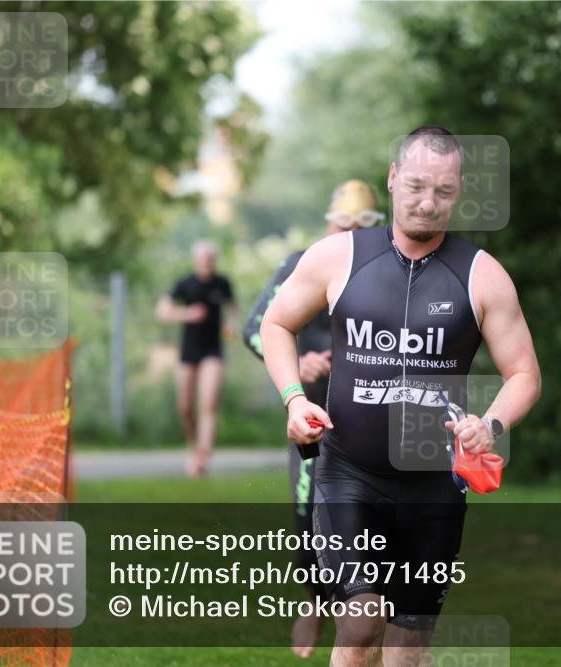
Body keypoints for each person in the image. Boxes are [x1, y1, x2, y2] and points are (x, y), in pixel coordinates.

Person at [260, 127, 542, 666]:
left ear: (458, 191)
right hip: (348, 474)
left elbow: (524, 373)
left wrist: (492, 424)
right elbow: (276, 322)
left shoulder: (482, 276)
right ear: (392, 179)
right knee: (361, 621)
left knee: (408, 645)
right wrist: (295, 399)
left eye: (441, 191)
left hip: (434, 486)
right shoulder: (338, 256)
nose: (426, 202)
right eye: (415, 186)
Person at [243, 179, 384, 659]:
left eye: (359, 227)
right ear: (328, 223)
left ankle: (363, 617)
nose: (347, 235)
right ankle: (318, 603)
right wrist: (297, 370)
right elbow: (255, 328)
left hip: (372, 424)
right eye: (340, 225)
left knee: (376, 527)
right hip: (313, 421)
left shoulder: (386, 268)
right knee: (308, 530)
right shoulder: (301, 264)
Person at [156, 240, 236, 477]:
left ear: (215, 260)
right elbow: (162, 311)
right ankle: (194, 447)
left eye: (211, 258)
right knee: (185, 406)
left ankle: (203, 457)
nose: (207, 262)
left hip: (213, 351)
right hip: (189, 351)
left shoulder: (222, 283)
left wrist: (231, 325)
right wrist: (186, 314)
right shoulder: (185, 284)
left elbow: (233, 308)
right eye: (203, 258)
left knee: (209, 403)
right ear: (195, 260)